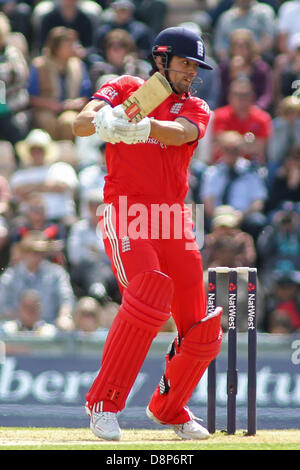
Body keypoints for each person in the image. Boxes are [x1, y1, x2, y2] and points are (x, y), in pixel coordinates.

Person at [73, 26, 223, 441]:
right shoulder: (124, 87)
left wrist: (144, 129)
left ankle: (170, 408)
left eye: (197, 65)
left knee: (200, 324)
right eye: (185, 63)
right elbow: (79, 123)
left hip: (174, 217)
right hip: (127, 209)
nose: (192, 72)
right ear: (161, 59)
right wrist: (103, 120)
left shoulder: (196, 107)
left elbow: (182, 133)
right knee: (147, 293)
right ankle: (103, 403)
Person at [0, 230, 75, 329]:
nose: (36, 255)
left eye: (40, 252)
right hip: (17, 329)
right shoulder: (11, 276)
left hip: (48, 328)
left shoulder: (56, 274)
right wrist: (26, 318)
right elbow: (3, 306)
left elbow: (66, 300)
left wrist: (64, 316)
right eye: (31, 251)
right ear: (24, 252)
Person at [28, 26, 92, 141]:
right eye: (69, 44)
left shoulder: (78, 65)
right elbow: (31, 97)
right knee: (48, 122)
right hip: (45, 109)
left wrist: (73, 104)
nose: (73, 47)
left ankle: (66, 153)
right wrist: (52, 105)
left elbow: (85, 96)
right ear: (57, 47)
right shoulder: (40, 65)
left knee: (68, 122)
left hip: (70, 109)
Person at [212, 77, 273, 164]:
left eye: (244, 95)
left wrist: (232, 141)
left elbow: (259, 147)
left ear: (252, 96)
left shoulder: (262, 118)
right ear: (229, 96)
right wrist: (246, 142)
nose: (240, 99)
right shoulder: (219, 115)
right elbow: (220, 141)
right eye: (236, 94)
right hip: (222, 164)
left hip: (252, 166)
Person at [218, 28, 273, 112]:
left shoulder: (261, 69)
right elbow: (220, 93)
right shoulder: (225, 68)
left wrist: (258, 107)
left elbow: (267, 94)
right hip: (229, 112)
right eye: (237, 47)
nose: (240, 50)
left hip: (254, 112)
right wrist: (232, 74)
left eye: (244, 47)